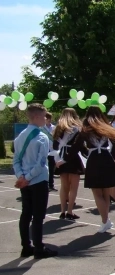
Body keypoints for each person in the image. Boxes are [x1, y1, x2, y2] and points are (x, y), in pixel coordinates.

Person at [57, 106, 115, 233]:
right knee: (105, 193)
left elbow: (76, 147)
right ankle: (106, 220)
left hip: (94, 160)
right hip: (106, 159)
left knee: (97, 193)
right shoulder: (106, 127)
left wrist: (64, 159)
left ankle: (105, 221)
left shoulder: (85, 130)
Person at [13, 103, 58, 259]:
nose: (46, 119)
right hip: (37, 181)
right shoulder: (41, 137)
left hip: (24, 182)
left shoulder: (19, 137)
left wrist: (21, 177)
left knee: (26, 214)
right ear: (37, 117)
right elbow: (41, 163)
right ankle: (39, 248)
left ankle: (26, 246)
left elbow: (16, 161)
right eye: (44, 116)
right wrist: (28, 178)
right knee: (38, 216)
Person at [53, 108, 85, 220]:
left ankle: (62, 211)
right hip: (73, 158)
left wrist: (57, 159)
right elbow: (79, 146)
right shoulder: (78, 129)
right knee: (74, 187)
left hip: (60, 156)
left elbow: (54, 146)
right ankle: (70, 211)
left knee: (64, 186)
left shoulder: (58, 128)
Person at [42, 112, 57, 192]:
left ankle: (51, 185)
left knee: (51, 169)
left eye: (50, 118)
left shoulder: (54, 127)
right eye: (47, 119)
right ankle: (44, 185)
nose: (49, 120)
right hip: (44, 150)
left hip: (52, 150)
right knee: (44, 168)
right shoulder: (41, 128)